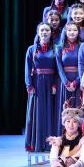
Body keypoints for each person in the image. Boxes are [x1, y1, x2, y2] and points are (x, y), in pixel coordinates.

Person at [25, 22, 60, 152]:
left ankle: (50, 144)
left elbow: (58, 69)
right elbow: (27, 68)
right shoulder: (31, 49)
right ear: (38, 32)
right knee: (37, 113)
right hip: (37, 83)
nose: (44, 32)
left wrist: (55, 84)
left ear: (51, 33)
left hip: (51, 83)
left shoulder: (56, 48)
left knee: (51, 112)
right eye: (42, 30)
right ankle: (36, 143)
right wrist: (29, 85)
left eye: (47, 30)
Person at [56, 22, 83, 109]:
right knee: (65, 108)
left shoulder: (82, 46)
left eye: (75, 30)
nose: (72, 32)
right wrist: (66, 82)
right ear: (65, 31)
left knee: (78, 108)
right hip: (64, 81)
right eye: (69, 30)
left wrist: (76, 82)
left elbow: (83, 65)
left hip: (78, 80)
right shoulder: (59, 47)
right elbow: (59, 66)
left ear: (78, 32)